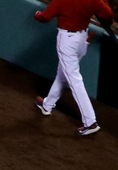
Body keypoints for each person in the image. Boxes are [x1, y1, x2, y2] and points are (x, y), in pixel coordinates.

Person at [34, 0, 114, 136]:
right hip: (83, 39)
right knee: (63, 72)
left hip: (68, 41)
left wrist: (37, 14)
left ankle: (90, 122)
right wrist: (106, 20)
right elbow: (108, 13)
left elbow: (45, 17)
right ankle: (47, 105)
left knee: (74, 79)